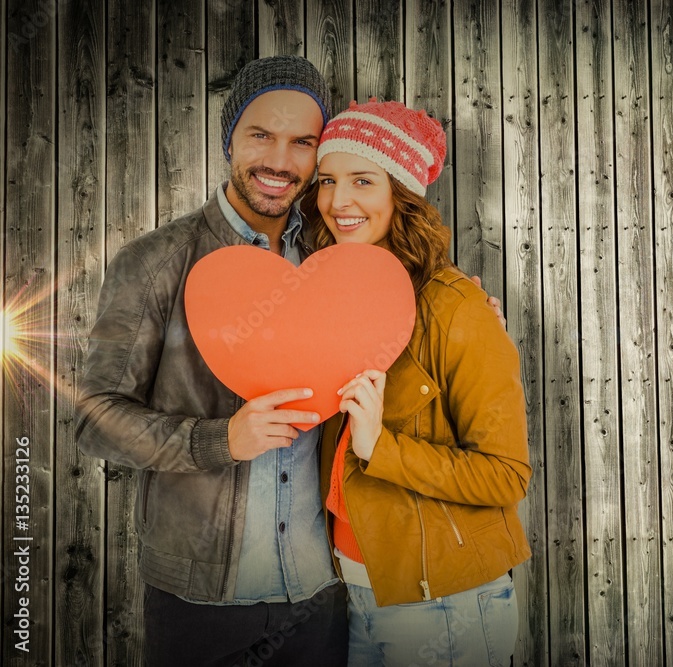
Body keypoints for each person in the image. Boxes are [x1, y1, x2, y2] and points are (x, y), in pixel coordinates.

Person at [75, 55, 346, 666]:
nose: (281, 160)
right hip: (200, 603)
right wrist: (219, 440)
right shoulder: (155, 262)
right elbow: (94, 417)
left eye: (303, 141)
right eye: (261, 135)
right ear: (229, 140)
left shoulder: (333, 264)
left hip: (320, 594)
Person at [306, 99, 531, 666]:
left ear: (401, 193)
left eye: (363, 180)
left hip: (445, 605)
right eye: (328, 180)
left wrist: (381, 448)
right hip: (359, 588)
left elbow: (506, 476)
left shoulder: (457, 308)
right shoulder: (334, 300)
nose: (339, 201)